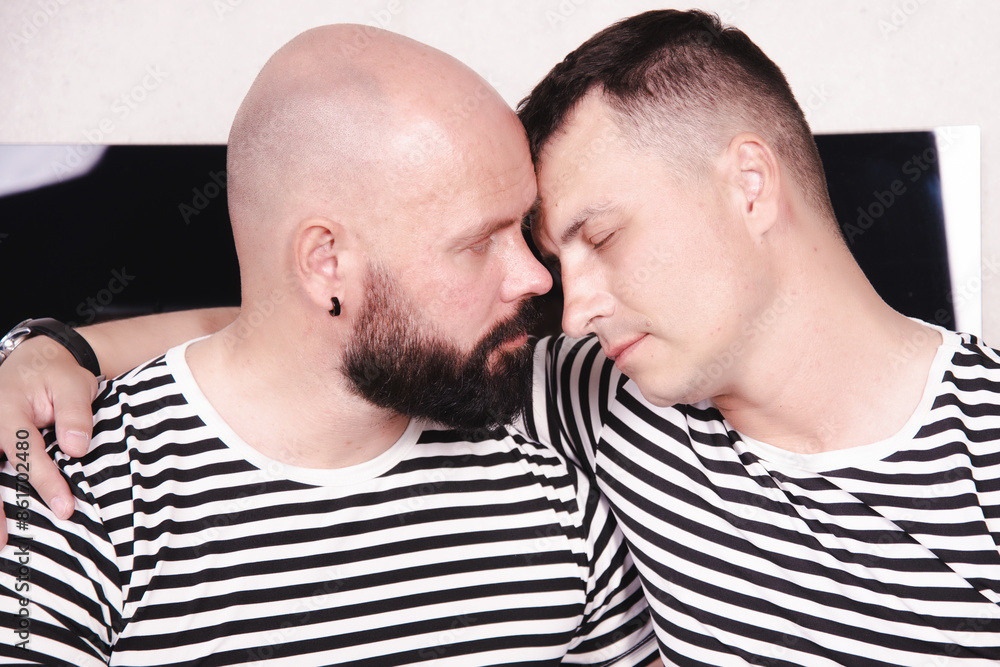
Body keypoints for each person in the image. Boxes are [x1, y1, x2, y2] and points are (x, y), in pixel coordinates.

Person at [4, 7, 999, 666]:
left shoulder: (979, 437)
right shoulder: (604, 399)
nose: (561, 302)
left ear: (748, 185)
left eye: (599, 235)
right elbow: (305, 333)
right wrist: (53, 351)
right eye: (517, 246)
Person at [0, 25, 658, 666]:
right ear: (327, 263)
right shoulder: (65, 493)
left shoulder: (553, 475)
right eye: (479, 242)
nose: (537, 278)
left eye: (523, 228)